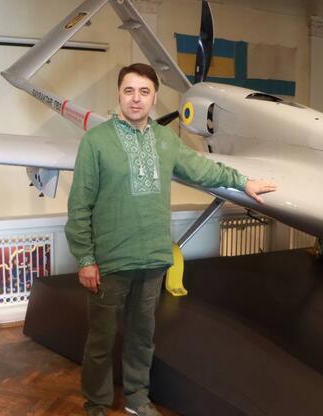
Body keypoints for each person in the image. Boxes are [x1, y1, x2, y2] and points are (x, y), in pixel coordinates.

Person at [65, 63, 277, 416]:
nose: (136, 98)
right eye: (129, 91)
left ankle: (136, 400)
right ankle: (96, 403)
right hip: (110, 262)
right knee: (101, 341)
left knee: (141, 338)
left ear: (154, 98)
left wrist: (242, 182)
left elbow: (201, 168)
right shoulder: (96, 142)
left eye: (144, 92)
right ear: (119, 94)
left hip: (152, 259)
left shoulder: (166, 141)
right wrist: (85, 259)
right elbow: (79, 205)